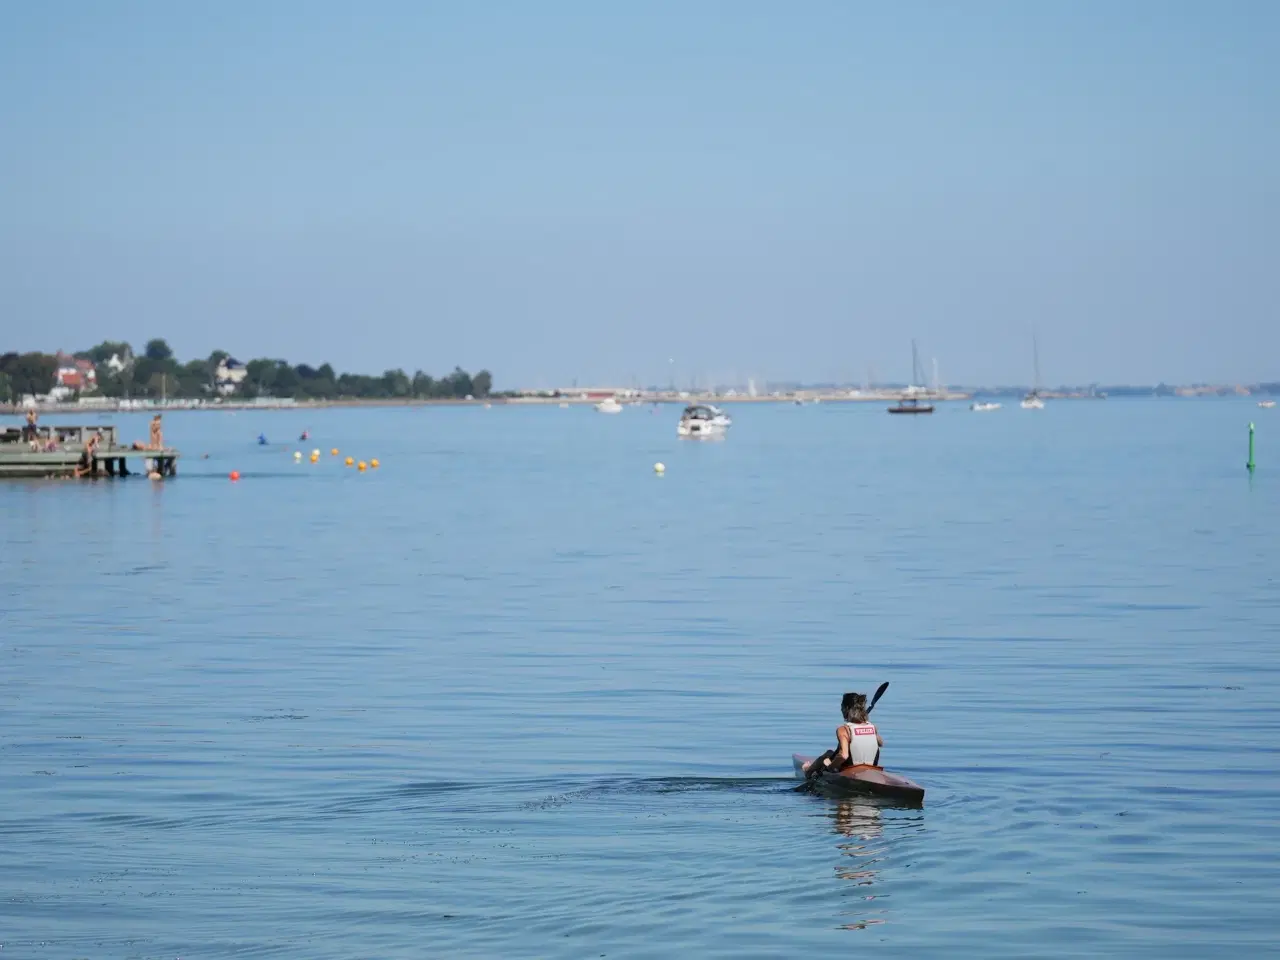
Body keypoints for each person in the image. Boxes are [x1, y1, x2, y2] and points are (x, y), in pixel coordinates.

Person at [804, 692, 885, 780]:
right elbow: (880, 743)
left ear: (846, 708)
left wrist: (830, 767)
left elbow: (843, 755)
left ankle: (808, 772)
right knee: (832, 753)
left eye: (841, 706)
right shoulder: (872, 727)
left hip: (850, 771)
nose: (841, 709)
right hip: (872, 769)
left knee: (827, 755)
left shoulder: (843, 730)